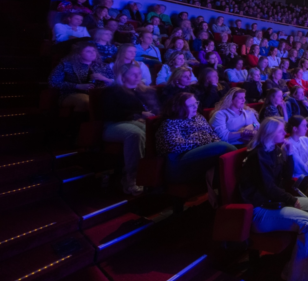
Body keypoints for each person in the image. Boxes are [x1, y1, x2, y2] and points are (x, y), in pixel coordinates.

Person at [239, 117, 308, 281]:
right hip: (259, 209)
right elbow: (268, 188)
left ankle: (298, 268)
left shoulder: (275, 150)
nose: (284, 134)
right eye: (280, 131)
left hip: (273, 201)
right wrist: (291, 199)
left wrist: (288, 155)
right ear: (270, 133)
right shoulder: (259, 155)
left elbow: (285, 178)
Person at [157, 93, 236, 201]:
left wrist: (200, 139)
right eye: (191, 105)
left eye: (196, 103)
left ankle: (230, 199)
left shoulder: (199, 118)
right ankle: (241, 163)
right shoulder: (170, 123)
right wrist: (202, 139)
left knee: (222, 157)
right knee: (222, 147)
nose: (196, 107)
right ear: (180, 107)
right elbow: (175, 146)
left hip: (198, 162)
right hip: (179, 165)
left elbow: (213, 136)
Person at [101, 63, 160, 195]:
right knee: (135, 134)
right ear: (123, 76)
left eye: (139, 74)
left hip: (135, 122)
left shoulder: (141, 91)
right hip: (113, 125)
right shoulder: (113, 91)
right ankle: (131, 178)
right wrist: (136, 115)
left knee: (155, 130)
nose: (137, 76)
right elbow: (110, 113)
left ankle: (155, 174)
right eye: (133, 74)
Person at [48, 41, 111, 112]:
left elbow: (115, 82)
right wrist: (77, 86)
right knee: (86, 101)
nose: (93, 53)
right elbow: (53, 82)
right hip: (70, 94)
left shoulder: (103, 66)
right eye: (88, 51)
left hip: (99, 93)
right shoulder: (66, 65)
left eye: (94, 51)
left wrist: (104, 79)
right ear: (79, 53)